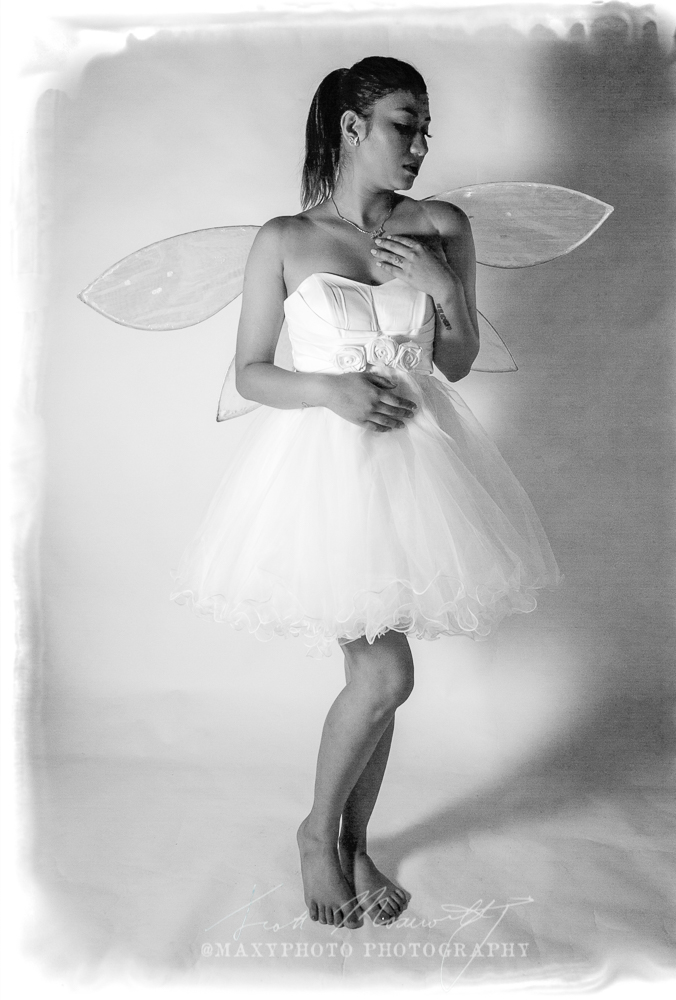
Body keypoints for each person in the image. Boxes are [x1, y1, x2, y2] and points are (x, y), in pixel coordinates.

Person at [170, 56, 560, 930]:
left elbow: (452, 361)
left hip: (420, 469)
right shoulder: (283, 239)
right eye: (402, 123)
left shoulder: (440, 225)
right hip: (326, 478)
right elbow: (250, 373)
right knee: (384, 675)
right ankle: (318, 836)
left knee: (376, 676)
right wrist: (332, 391)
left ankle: (349, 841)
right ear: (351, 127)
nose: (420, 144)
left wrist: (443, 286)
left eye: (425, 127)